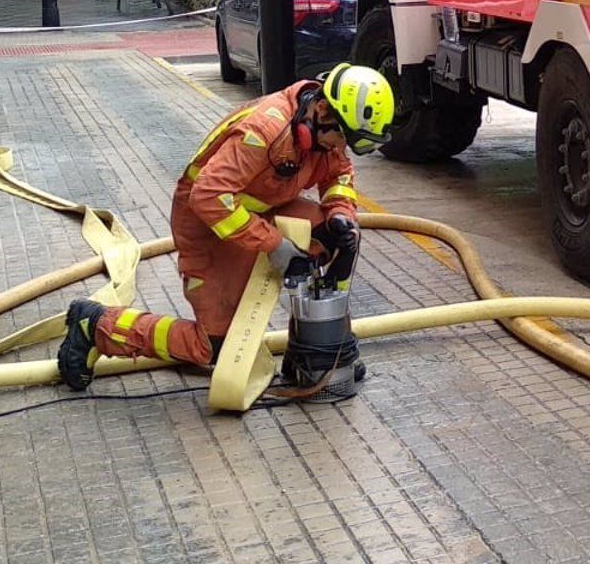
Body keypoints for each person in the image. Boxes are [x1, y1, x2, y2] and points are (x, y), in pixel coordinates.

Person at [57, 64, 395, 389]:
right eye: (342, 138)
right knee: (215, 345)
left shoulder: (322, 127)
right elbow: (208, 196)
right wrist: (274, 245)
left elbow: (339, 175)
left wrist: (340, 215)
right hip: (208, 223)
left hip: (261, 209)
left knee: (333, 238)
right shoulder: (263, 132)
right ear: (322, 110)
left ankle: (317, 351)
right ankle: (98, 326)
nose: (341, 148)